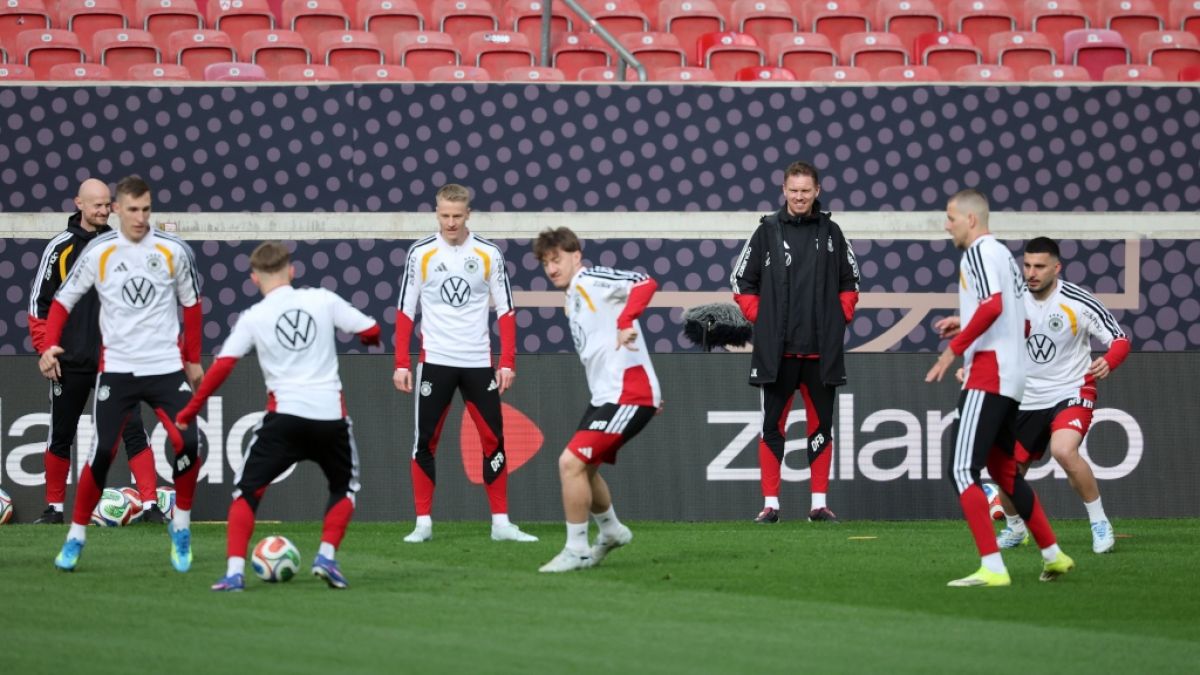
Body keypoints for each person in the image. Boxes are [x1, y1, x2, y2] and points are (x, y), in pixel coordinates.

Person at [174, 241, 381, 591]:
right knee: (344, 488)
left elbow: (221, 368)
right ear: (292, 271)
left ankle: (235, 573)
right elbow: (371, 329)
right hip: (330, 416)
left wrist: (189, 411)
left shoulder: (254, 318)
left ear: (254, 278)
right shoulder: (322, 299)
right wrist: (368, 341)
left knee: (246, 491)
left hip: (284, 417)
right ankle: (327, 557)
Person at [39, 175, 205, 573]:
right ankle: (76, 534)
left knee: (188, 443)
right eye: (132, 209)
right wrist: (48, 346)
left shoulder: (172, 250)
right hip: (118, 370)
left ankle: (179, 526)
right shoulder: (99, 252)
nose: (140, 217)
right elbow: (61, 302)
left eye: (146, 210)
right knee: (102, 452)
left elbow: (193, 304)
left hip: (165, 367)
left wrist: (193, 358)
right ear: (118, 209)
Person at [925, 189, 1074, 587]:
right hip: (1014, 377)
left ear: (971, 220)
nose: (947, 225)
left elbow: (992, 306)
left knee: (961, 469)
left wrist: (951, 352)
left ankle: (992, 566)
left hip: (989, 374)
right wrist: (965, 320)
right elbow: (1012, 315)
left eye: (951, 217)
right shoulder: (1005, 258)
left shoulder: (976, 252)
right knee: (1005, 473)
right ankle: (1053, 555)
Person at [393, 184, 536, 543]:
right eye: (444, 215)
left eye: (457, 215)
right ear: (436, 213)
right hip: (435, 361)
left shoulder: (488, 253)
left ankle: (501, 523)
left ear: (469, 213)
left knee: (494, 440)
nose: (451, 222)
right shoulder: (421, 253)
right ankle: (423, 523)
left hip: (477, 363)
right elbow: (405, 311)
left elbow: (505, 310)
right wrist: (401, 362)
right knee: (424, 442)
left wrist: (507, 362)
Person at [27, 179, 165, 524]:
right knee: (60, 433)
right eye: (97, 205)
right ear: (79, 204)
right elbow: (38, 305)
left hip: (115, 360)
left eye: (108, 205)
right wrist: (46, 350)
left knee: (133, 428)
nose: (104, 211)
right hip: (69, 360)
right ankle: (54, 510)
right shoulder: (59, 248)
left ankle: (150, 506)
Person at [729, 160, 859, 524]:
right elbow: (741, 282)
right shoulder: (766, 230)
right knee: (773, 427)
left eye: (806, 190)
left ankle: (819, 504)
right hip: (778, 352)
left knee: (822, 428)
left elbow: (852, 282)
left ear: (817, 192)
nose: (799, 196)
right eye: (793, 190)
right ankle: (771, 505)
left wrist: (839, 318)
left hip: (821, 352)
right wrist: (764, 319)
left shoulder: (832, 232)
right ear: (783, 191)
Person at [532, 227, 661, 572]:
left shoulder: (591, 280)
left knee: (569, 464)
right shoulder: (572, 295)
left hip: (628, 394)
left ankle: (575, 549)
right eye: (546, 263)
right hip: (608, 395)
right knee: (584, 470)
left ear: (576, 256)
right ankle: (611, 531)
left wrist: (625, 319)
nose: (552, 268)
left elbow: (645, 283)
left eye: (557, 259)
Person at [994, 237, 1130, 554]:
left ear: (1057, 268)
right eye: (1026, 265)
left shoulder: (1079, 301)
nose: (1031, 272)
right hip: (1024, 398)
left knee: (1064, 451)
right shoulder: (1010, 299)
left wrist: (1109, 361)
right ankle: (1015, 529)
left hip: (1070, 390)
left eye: (1039, 266)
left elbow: (1120, 340)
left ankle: (1099, 523)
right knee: (1008, 473)